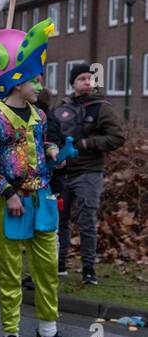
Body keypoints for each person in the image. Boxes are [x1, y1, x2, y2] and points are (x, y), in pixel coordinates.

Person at [0, 20, 86, 337]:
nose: (40, 84)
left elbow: (42, 146)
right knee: (9, 274)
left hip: (43, 201)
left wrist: (54, 152)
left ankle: (48, 336)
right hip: (12, 203)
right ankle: (11, 336)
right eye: (35, 79)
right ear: (16, 81)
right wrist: (7, 193)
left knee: (47, 270)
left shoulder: (39, 115)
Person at [48, 62, 124, 285]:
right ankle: (59, 264)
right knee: (59, 220)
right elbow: (51, 135)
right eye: (82, 78)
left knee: (87, 220)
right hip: (63, 173)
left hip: (89, 172)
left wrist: (87, 143)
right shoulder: (62, 107)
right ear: (73, 82)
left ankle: (88, 269)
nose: (87, 82)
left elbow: (117, 137)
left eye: (90, 78)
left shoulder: (101, 107)